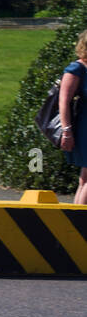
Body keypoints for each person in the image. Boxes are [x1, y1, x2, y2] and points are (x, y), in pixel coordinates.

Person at [58, 30, 87, 205]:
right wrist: (66, 131)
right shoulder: (77, 68)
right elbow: (63, 101)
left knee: (85, 178)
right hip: (84, 127)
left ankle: (78, 221)